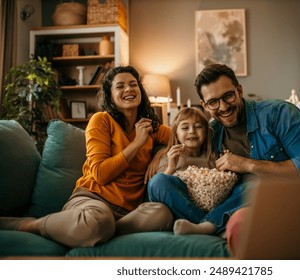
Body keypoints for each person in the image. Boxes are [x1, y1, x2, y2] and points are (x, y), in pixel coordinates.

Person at [0, 66, 174, 247]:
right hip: (92, 201)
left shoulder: (151, 128)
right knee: (98, 221)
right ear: (110, 95)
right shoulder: (101, 121)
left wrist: (160, 153)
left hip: (128, 213)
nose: (128, 89)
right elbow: (100, 174)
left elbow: (182, 139)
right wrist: (137, 143)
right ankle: (31, 224)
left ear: (140, 91)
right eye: (120, 86)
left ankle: (107, 231)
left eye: (133, 84)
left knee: (163, 213)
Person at [193, 63, 300, 252]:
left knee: (254, 186)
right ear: (204, 105)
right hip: (242, 208)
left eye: (228, 96)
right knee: (160, 183)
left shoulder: (279, 113)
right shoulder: (211, 132)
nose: (223, 107)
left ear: (239, 90)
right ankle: (214, 224)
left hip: (288, 202)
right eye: (213, 102)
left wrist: (247, 164)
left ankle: (210, 224)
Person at [148, 107, 237, 236]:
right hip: (183, 206)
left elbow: (223, 185)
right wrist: (171, 168)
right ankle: (209, 225)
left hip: (211, 206)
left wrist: (227, 168)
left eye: (198, 127)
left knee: (246, 187)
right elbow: (156, 191)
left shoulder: (213, 156)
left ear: (206, 132)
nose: (192, 131)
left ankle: (207, 224)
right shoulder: (168, 156)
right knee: (158, 180)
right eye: (185, 128)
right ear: (176, 133)